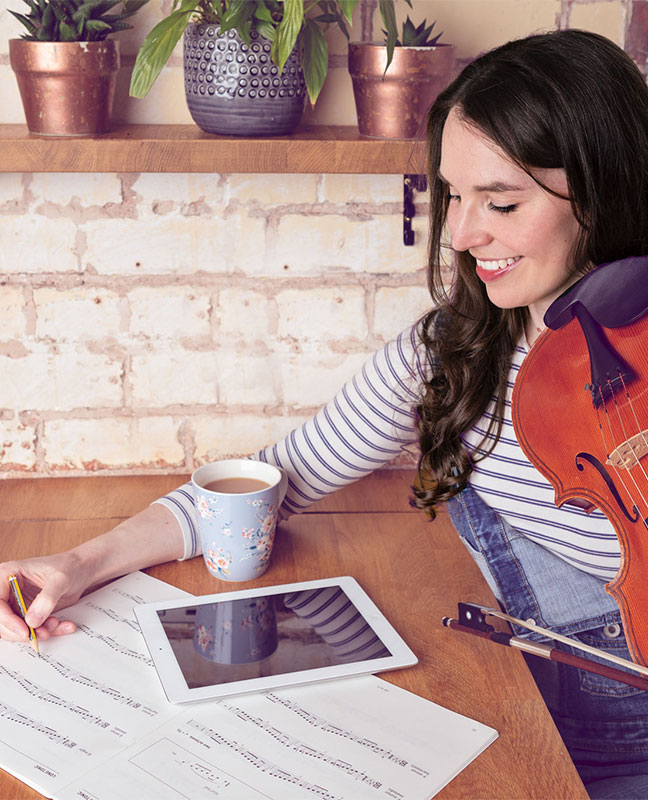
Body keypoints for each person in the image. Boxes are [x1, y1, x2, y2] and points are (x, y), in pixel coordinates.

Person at [2, 28, 648, 797]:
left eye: (502, 202)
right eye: (454, 196)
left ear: (603, 186)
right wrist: (77, 566)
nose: (467, 236)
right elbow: (281, 475)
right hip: (520, 668)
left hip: (618, 704)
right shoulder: (457, 347)